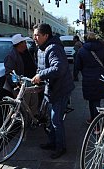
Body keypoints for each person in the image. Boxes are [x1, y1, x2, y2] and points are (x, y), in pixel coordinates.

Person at [31, 24, 75, 159]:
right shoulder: (41, 48)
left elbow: (59, 68)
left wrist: (41, 75)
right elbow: (41, 68)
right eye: (34, 35)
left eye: (37, 35)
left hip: (60, 89)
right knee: (48, 119)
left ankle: (60, 147)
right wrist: (39, 77)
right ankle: (52, 142)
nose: (34, 38)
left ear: (46, 36)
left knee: (56, 120)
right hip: (50, 88)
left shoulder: (54, 48)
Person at [76, 32, 104, 124]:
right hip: (100, 78)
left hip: (87, 78)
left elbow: (77, 66)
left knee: (91, 100)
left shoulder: (82, 50)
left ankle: (94, 121)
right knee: (97, 101)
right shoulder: (102, 48)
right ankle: (96, 121)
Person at [3, 34, 39, 117]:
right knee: (23, 108)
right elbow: (10, 73)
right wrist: (16, 85)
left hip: (31, 83)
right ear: (20, 44)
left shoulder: (27, 52)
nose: (26, 43)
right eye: (24, 42)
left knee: (33, 104)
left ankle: (32, 121)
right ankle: (24, 125)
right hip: (21, 86)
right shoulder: (11, 56)